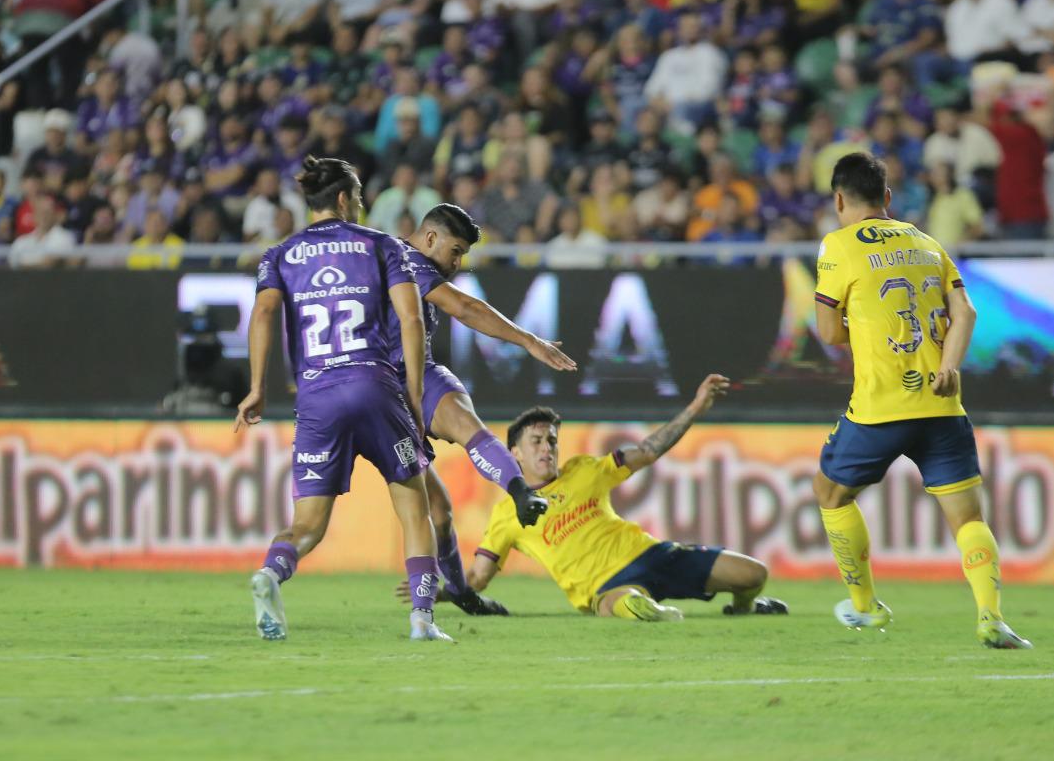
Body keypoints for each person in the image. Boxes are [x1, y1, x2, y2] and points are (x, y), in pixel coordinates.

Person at [811, 152, 1030, 650]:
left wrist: (868, 324)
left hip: (880, 407)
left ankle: (865, 608)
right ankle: (991, 617)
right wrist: (949, 366)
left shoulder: (838, 244)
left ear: (839, 199)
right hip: (943, 403)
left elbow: (828, 331)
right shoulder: (926, 241)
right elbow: (966, 312)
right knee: (969, 519)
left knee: (830, 494)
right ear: (887, 198)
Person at [236, 158, 458, 642]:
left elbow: (263, 313)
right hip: (374, 387)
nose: (359, 207)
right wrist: (416, 395)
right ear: (343, 200)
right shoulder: (382, 246)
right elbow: (411, 319)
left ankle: (272, 573)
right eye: (357, 199)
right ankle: (422, 618)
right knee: (413, 509)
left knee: (307, 527)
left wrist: (256, 387)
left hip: (316, 398)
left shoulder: (279, 255)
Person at [383, 204, 573, 615]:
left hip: (409, 376)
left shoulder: (387, 256)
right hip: (385, 386)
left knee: (442, 511)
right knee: (434, 509)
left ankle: (515, 501)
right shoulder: (407, 260)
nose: (456, 263)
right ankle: (518, 493)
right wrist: (528, 341)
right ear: (430, 238)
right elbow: (466, 308)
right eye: (455, 251)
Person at [465, 378, 788, 620]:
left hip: (653, 554)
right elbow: (479, 577)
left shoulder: (584, 470)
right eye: (536, 441)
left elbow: (647, 451)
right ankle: (652, 610)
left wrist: (694, 408)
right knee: (620, 603)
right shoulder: (506, 514)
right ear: (515, 453)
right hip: (608, 584)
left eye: (551, 439)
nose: (547, 448)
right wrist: (437, 594)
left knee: (754, 574)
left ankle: (743, 608)